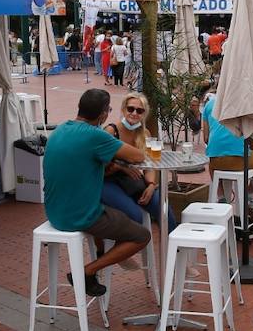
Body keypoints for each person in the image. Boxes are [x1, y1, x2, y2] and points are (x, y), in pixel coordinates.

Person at [42, 89, 152, 297]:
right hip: (79, 216)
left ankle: (101, 253)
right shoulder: (96, 135)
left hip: (53, 212)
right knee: (141, 235)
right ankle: (87, 271)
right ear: (103, 114)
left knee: (110, 209)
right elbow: (138, 156)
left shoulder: (60, 129)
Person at [100, 93, 175, 235]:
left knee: (164, 210)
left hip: (133, 182)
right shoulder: (111, 131)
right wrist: (121, 167)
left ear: (144, 114)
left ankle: (174, 251)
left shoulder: (144, 133)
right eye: (130, 109)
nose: (134, 113)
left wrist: (152, 185)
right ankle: (118, 254)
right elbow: (100, 166)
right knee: (134, 216)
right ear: (123, 109)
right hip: (109, 181)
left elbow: (150, 164)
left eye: (139, 111)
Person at [203, 87, 253, 211]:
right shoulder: (244, 105)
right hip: (239, 158)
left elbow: (206, 138)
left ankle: (221, 196)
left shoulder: (209, 105)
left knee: (212, 162)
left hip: (216, 162)